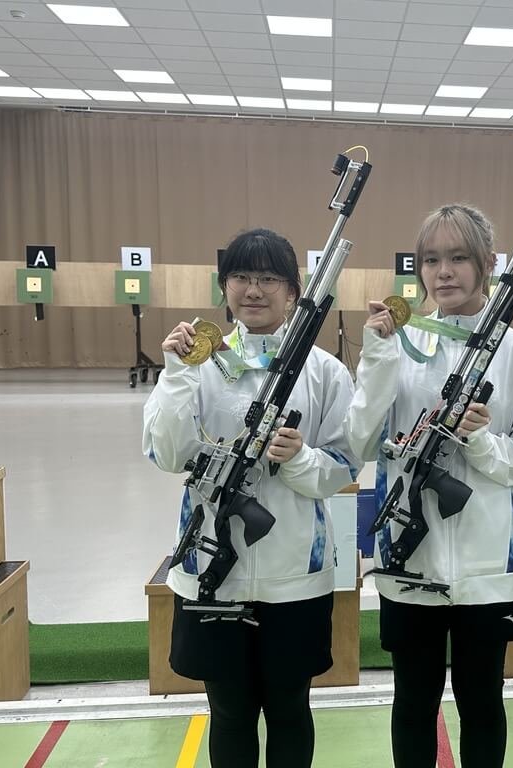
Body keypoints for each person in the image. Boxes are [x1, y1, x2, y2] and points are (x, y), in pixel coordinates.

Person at [347, 204, 513, 768]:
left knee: (482, 700)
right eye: (431, 259)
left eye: (459, 257)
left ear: (487, 263)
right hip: (408, 557)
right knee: (412, 700)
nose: (443, 272)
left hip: (489, 566)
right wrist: (376, 358)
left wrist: (483, 442)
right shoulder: (398, 343)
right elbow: (360, 441)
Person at [143, 228, 359, 768]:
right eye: (240, 276)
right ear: (224, 286)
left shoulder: (325, 371)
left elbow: (345, 467)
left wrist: (301, 458)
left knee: (290, 709)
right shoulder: (198, 362)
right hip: (213, 571)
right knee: (229, 712)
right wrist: (177, 373)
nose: (253, 290)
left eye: (268, 278)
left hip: (295, 575)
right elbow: (166, 454)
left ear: (293, 292)